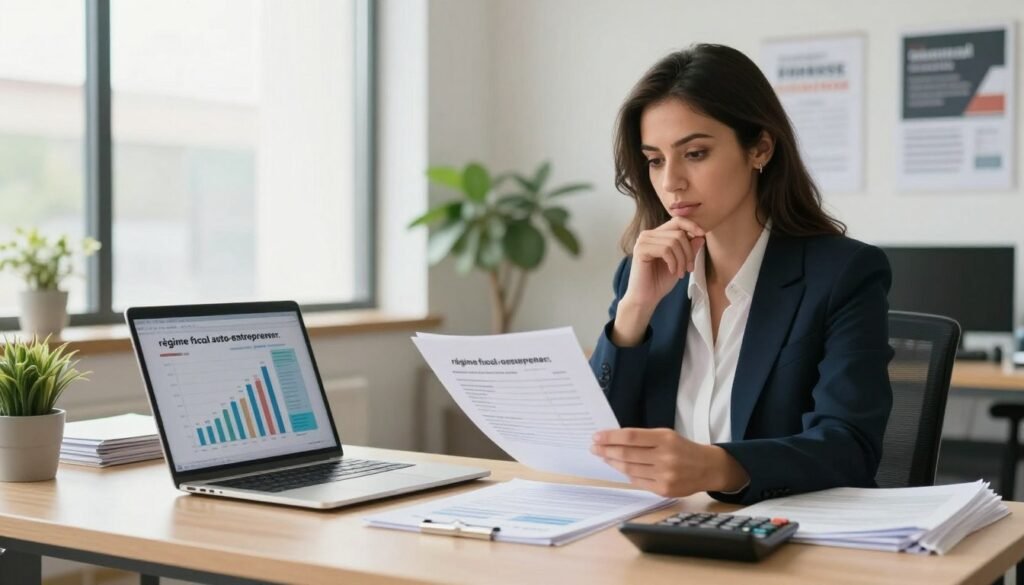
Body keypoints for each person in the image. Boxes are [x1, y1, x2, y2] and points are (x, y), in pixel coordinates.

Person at [588, 44, 893, 505]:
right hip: (660, 533)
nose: (670, 181)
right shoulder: (642, 275)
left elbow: (850, 446)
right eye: (654, 159)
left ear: (760, 149)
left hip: (787, 542)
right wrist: (633, 313)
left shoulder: (844, 274)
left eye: (694, 153)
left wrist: (716, 466)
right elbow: (597, 442)